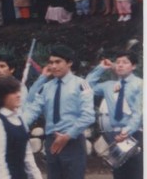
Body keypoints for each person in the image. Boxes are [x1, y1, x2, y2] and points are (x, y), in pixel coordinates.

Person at [20, 46, 94, 179]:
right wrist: (16, 125)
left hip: (73, 142)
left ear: (69, 62)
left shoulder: (81, 85)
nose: (53, 66)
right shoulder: (46, 87)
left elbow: (88, 116)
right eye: (51, 62)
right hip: (51, 142)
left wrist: (67, 136)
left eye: (58, 62)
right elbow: (33, 110)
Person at [85, 52, 142, 178]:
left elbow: (139, 112)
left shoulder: (140, 84)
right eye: (118, 62)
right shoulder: (108, 86)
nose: (120, 65)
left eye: (125, 62)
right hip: (114, 135)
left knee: (136, 171)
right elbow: (86, 86)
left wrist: (126, 132)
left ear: (133, 66)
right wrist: (101, 68)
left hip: (135, 133)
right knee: (119, 173)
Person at [0, 76, 43, 179]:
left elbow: (27, 156)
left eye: (18, 91)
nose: (19, 95)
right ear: (1, 96)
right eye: (13, 92)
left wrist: (37, 176)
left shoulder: (20, 120)